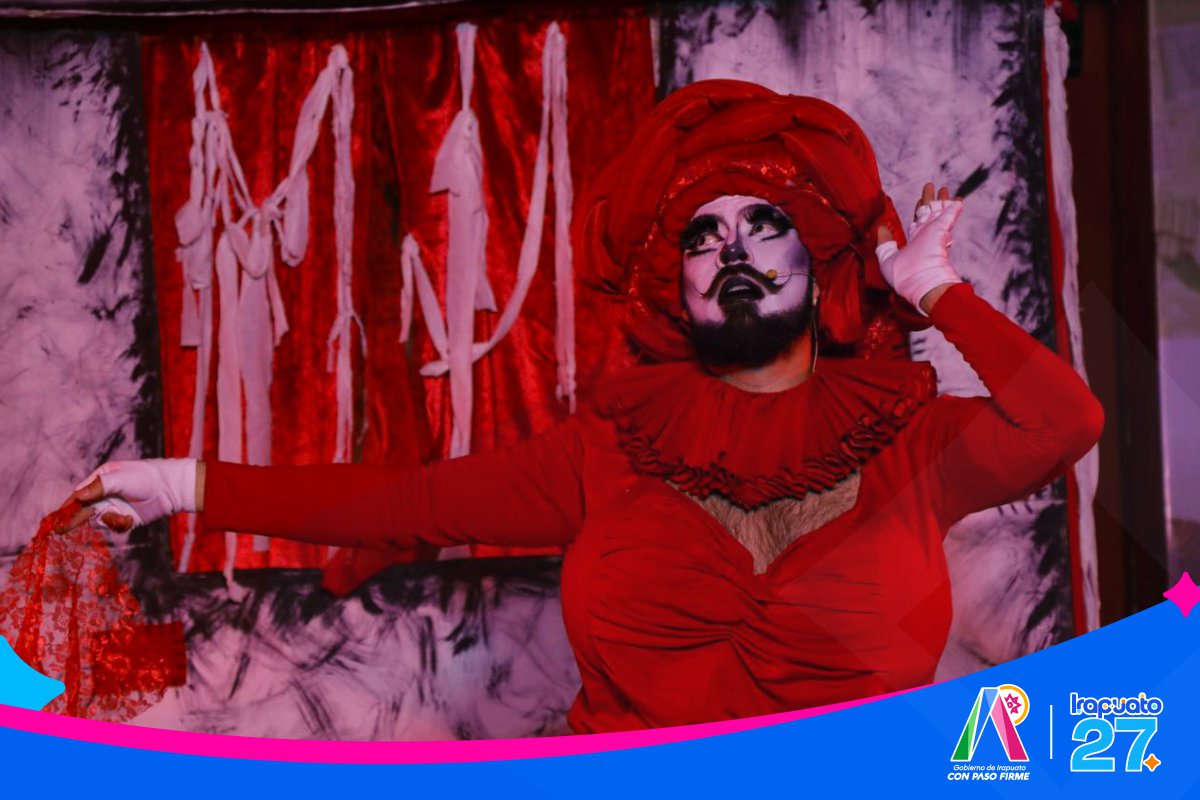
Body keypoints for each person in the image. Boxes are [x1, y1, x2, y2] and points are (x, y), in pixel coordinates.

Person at [63, 81, 1103, 734]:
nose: (732, 250)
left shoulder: (913, 442)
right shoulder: (610, 447)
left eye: (764, 223)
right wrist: (182, 485)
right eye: (701, 237)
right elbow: (404, 500)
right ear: (675, 287)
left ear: (822, 259)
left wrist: (935, 290)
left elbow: (1066, 424)